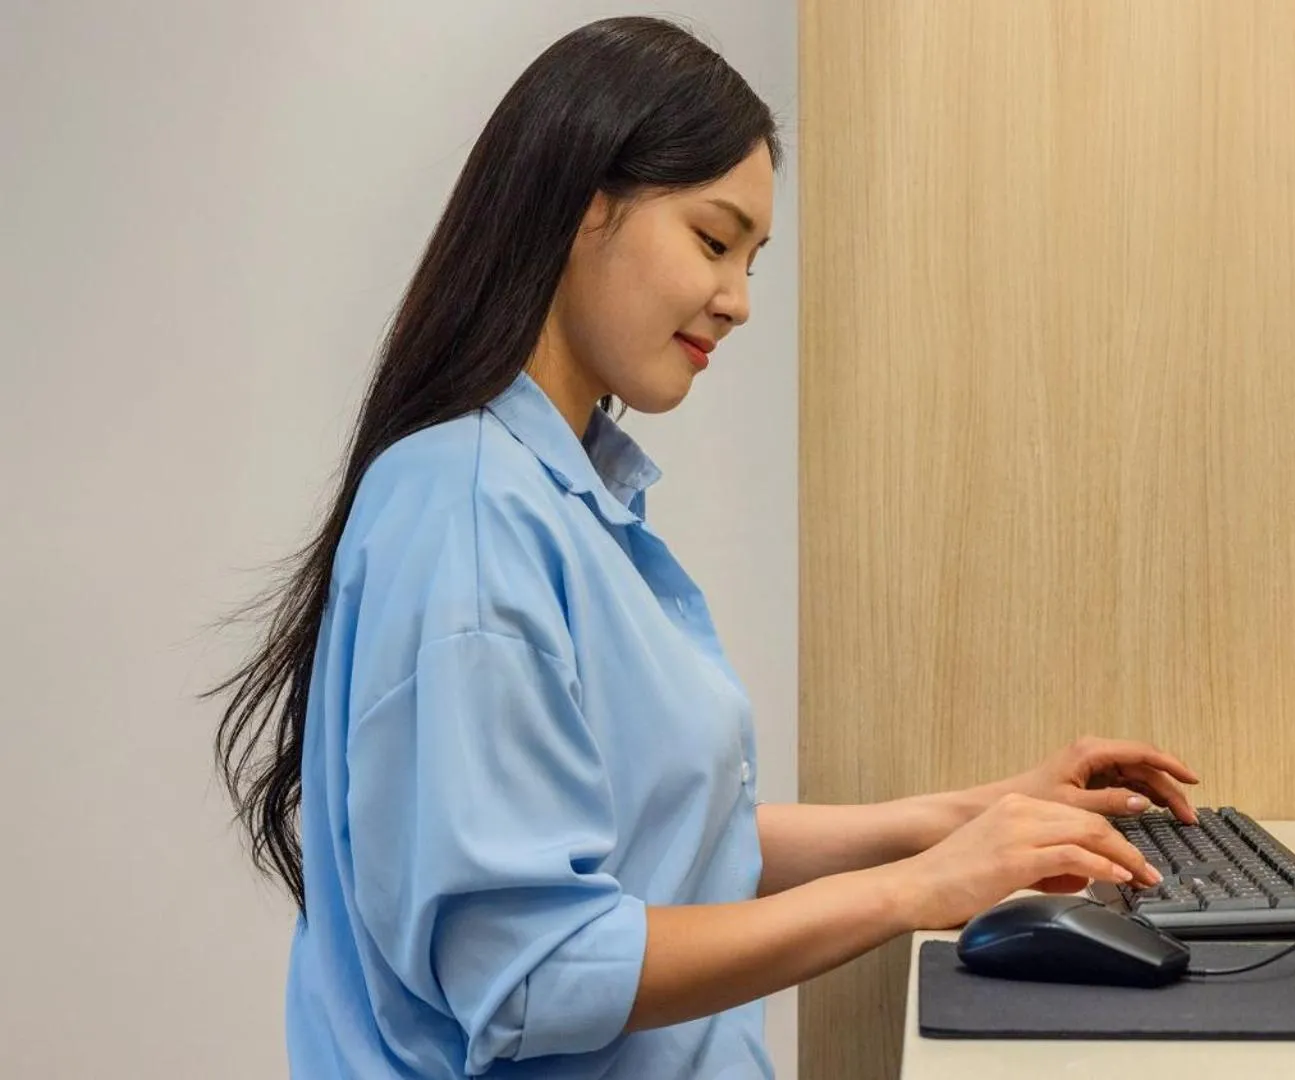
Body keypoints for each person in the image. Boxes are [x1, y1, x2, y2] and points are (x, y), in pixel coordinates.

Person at [209, 16, 1197, 1079]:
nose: (737, 299)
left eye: (752, 259)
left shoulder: (557, 493)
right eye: (713, 240)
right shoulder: (473, 512)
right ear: (584, 201)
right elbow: (537, 969)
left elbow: (671, 844)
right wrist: (922, 889)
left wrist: (978, 816)